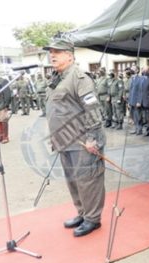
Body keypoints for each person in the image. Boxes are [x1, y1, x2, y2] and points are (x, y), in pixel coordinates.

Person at [43, 37, 106, 237]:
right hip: (65, 140)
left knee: (88, 180)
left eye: (57, 52)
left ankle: (93, 219)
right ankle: (82, 212)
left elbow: (93, 110)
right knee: (73, 180)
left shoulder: (80, 79)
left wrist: (92, 139)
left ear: (69, 56)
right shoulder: (57, 78)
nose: (52, 55)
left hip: (82, 141)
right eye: (51, 52)